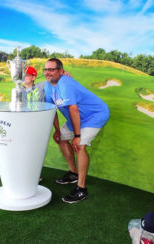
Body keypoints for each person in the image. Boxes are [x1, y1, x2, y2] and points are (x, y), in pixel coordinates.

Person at [43, 58, 110, 203]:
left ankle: (81, 189)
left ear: (61, 71)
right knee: (61, 138)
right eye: (45, 70)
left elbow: (73, 109)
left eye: (51, 69)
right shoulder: (48, 86)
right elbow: (51, 110)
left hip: (94, 115)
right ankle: (73, 173)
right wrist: (56, 130)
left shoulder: (65, 83)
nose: (47, 73)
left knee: (79, 146)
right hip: (77, 118)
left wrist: (78, 135)